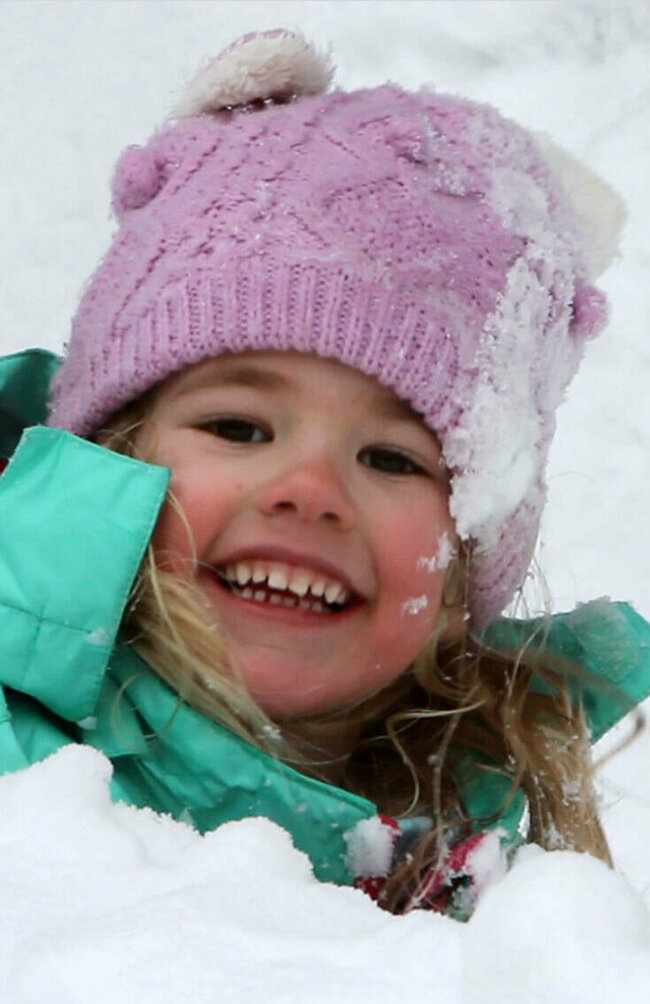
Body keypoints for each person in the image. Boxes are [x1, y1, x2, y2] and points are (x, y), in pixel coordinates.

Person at [1, 29, 649, 922]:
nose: (308, 489)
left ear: (463, 575)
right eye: (238, 426)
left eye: (391, 458)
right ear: (111, 458)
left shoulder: (486, 881)